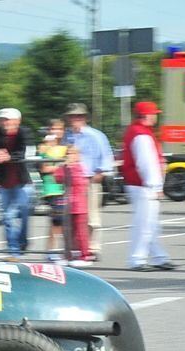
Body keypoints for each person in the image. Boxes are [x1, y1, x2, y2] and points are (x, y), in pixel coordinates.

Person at [122, 101, 176, 272]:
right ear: (146, 115)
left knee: (151, 223)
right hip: (144, 185)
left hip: (140, 184)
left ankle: (159, 257)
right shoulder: (141, 135)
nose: (156, 116)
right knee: (145, 223)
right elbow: (146, 163)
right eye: (154, 114)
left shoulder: (139, 132)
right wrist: (155, 185)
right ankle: (137, 259)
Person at [63, 103, 114, 261]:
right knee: (71, 216)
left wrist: (101, 172)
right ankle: (75, 247)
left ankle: (93, 247)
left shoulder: (95, 135)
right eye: (71, 116)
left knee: (92, 215)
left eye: (78, 116)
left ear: (84, 118)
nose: (74, 119)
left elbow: (106, 155)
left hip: (90, 178)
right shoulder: (67, 136)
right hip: (71, 179)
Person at [0, 108, 33, 260]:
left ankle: (22, 242)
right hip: (4, 183)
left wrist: (7, 157)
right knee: (7, 217)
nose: (5, 123)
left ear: (17, 121)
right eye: (2, 119)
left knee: (25, 217)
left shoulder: (23, 133)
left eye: (8, 119)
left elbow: (22, 153)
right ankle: (13, 250)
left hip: (22, 183)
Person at [52, 146, 93, 266]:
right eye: (68, 153)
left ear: (78, 155)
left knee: (81, 232)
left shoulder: (81, 167)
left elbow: (79, 181)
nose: (70, 155)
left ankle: (84, 255)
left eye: (73, 153)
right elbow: (57, 178)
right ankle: (68, 255)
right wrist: (64, 168)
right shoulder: (64, 168)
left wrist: (69, 169)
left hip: (79, 204)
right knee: (67, 232)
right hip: (67, 204)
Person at [38, 120, 68, 258]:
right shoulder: (44, 147)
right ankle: (51, 250)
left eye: (59, 129)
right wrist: (62, 165)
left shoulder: (65, 147)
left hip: (64, 187)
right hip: (52, 188)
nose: (56, 131)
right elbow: (44, 168)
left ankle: (56, 250)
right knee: (57, 219)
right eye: (53, 129)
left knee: (61, 221)